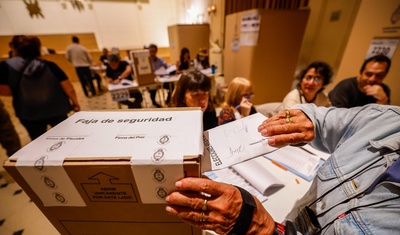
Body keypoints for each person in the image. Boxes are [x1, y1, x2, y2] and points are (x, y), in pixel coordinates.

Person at [165, 103, 400, 234]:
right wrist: (308, 118)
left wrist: (263, 229)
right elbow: (326, 119)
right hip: (289, 218)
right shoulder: (390, 121)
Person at [0, 35, 80, 140]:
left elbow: (5, 91)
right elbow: (69, 88)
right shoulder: (50, 65)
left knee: (38, 141)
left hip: (28, 112)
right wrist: (75, 103)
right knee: (65, 138)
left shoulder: (5, 67)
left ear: (14, 49)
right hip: (57, 109)